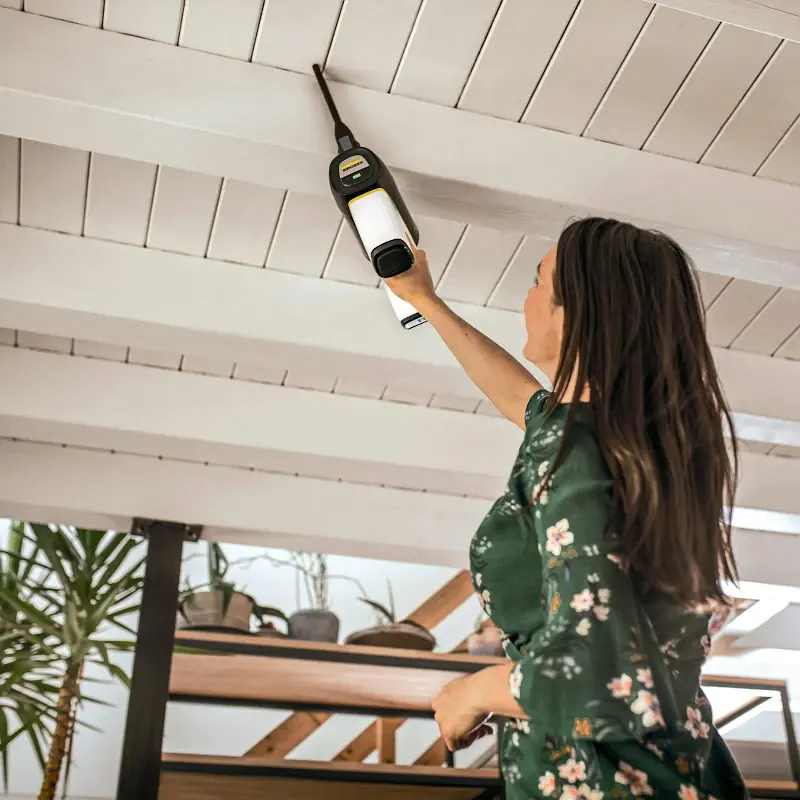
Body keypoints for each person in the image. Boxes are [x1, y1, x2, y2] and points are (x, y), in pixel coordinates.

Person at [385, 217, 748, 799]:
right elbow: (520, 397)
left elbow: (600, 668)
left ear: (578, 312)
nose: (526, 299)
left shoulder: (578, 447)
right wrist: (425, 300)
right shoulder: (632, 442)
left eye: (538, 282)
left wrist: (471, 692)